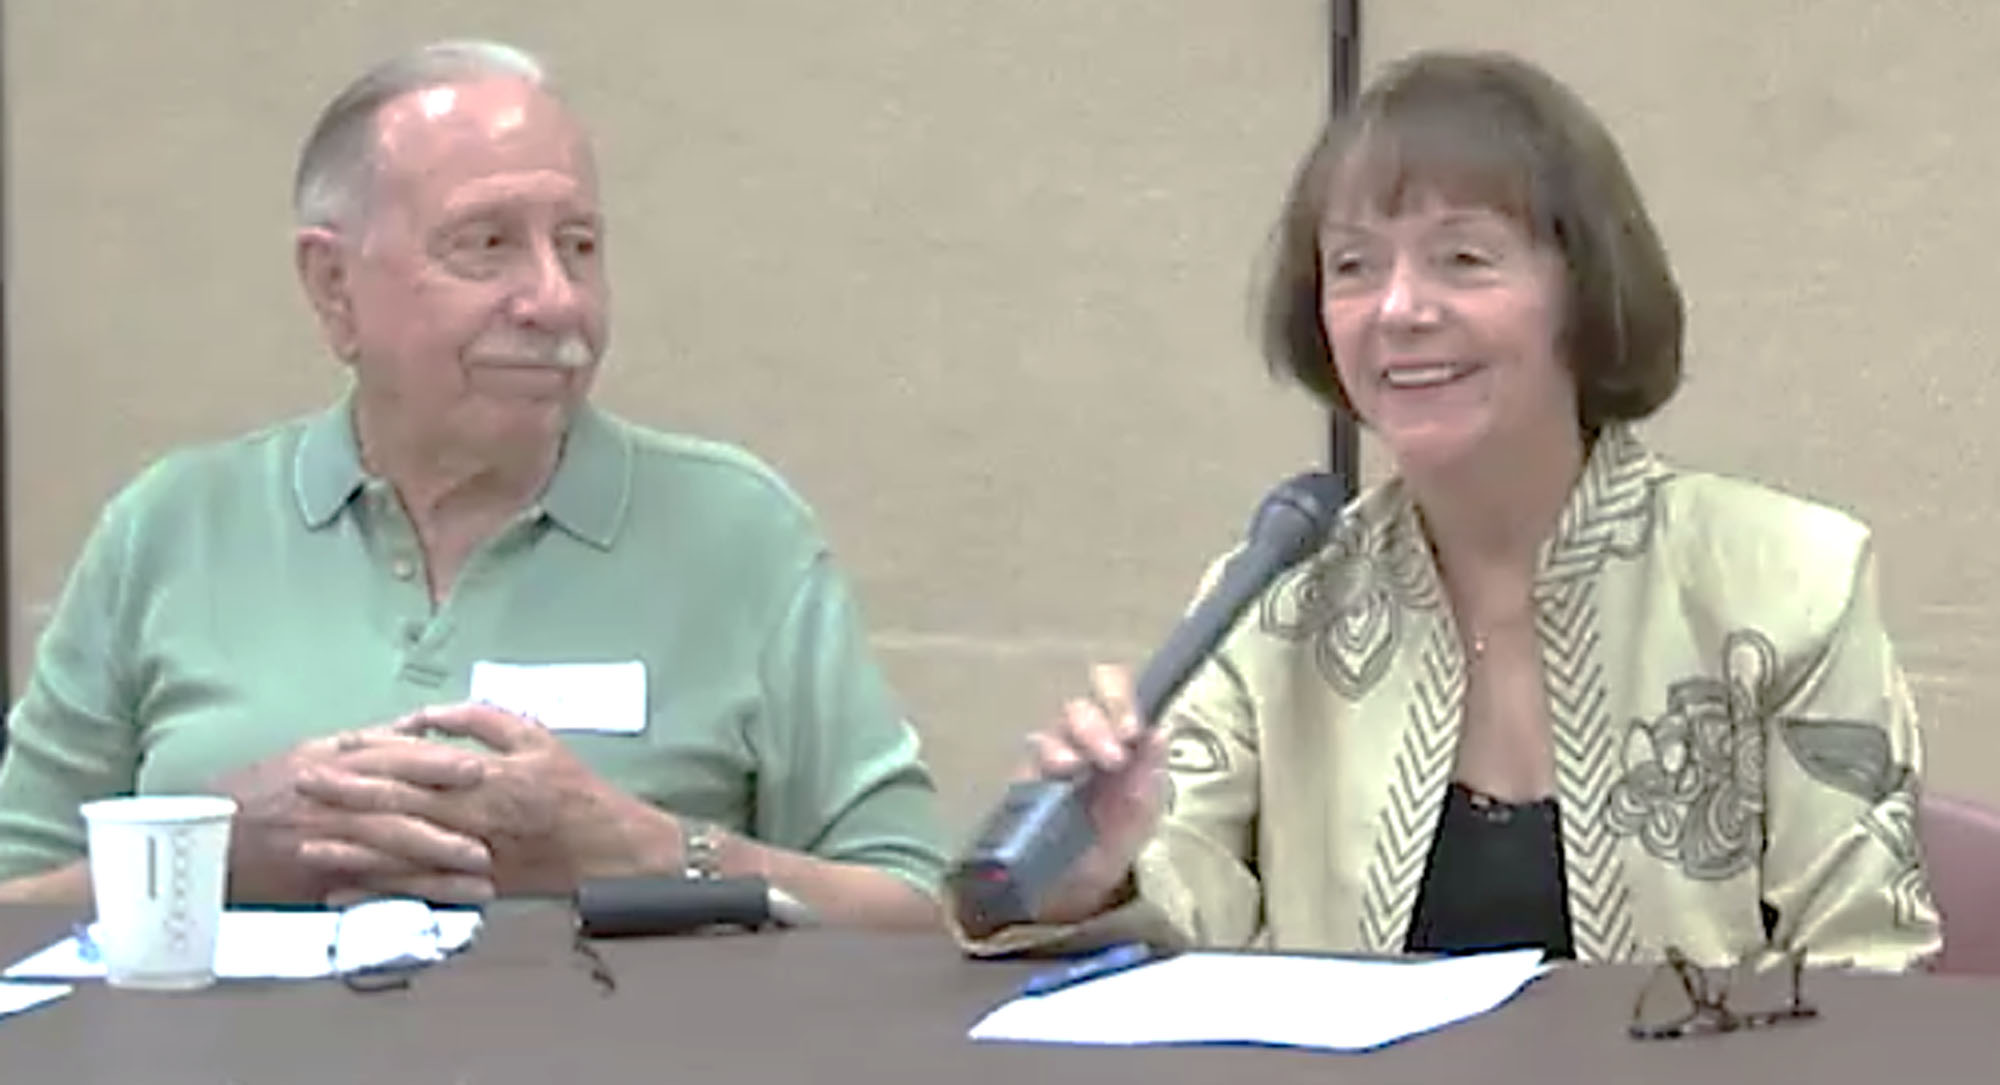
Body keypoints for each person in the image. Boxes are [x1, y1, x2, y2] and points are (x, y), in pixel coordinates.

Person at [955, 50, 1940, 969]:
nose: (1397, 309)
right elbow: (1192, 928)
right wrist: (1098, 876)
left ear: (1581, 289)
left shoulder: (1787, 581)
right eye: (1351, 265)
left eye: (1461, 258)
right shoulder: (1277, 600)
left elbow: (1869, 969)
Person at [0, 40, 945, 928]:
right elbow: (14, 901)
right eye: (486, 244)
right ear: (333, 286)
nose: (556, 300)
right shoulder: (172, 527)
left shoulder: (737, 534)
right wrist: (211, 856)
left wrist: (643, 848)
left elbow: (914, 915)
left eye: (578, 245)